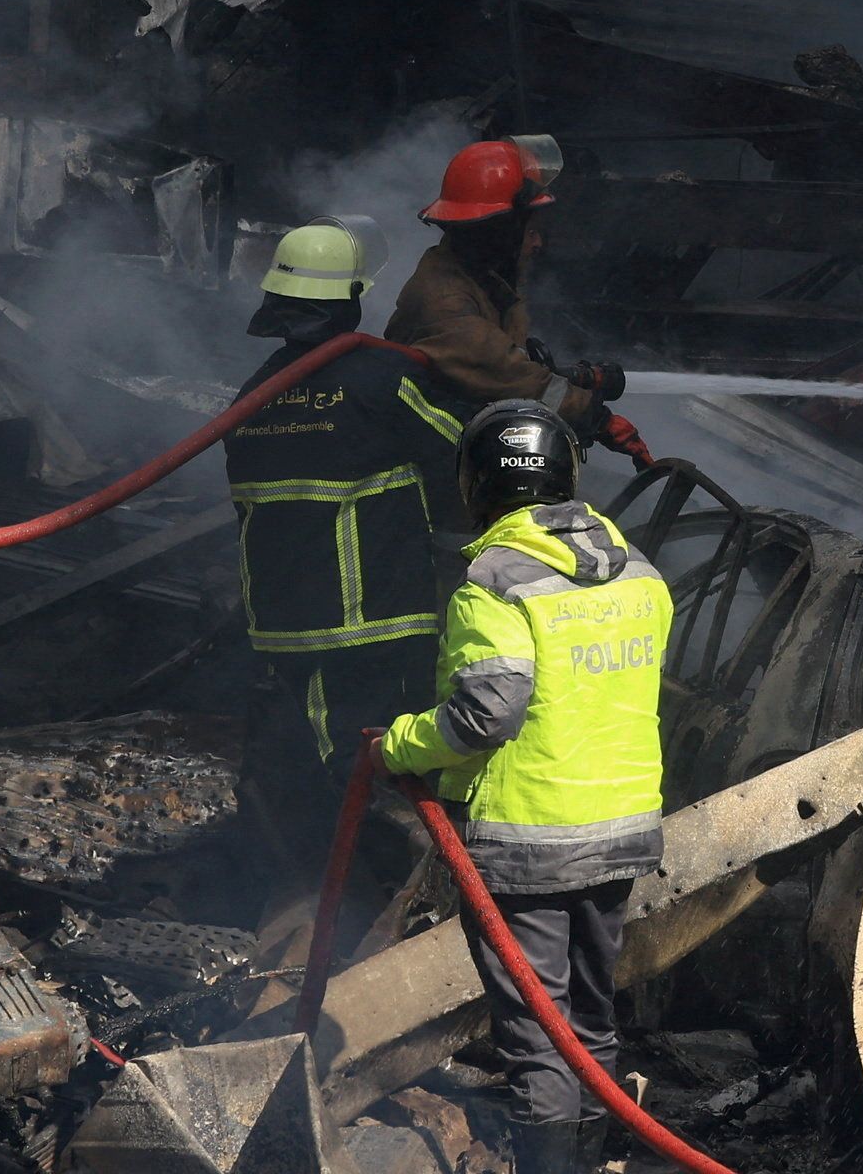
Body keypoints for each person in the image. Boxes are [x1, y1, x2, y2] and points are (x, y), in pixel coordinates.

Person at [380, 402, 673, 1174]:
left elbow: (487, 713)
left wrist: (399, 744)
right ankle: (590, 1159)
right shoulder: (639, 572)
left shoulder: (495, 582)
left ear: (475, 484)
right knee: (591, 1020)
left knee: (538, 1036)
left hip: (528, 843)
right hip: (621, 831)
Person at [222, 224, 465, 881]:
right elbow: (465, 453)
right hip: (373, 619)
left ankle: (318, 887)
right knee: (393, 766)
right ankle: (386, 891)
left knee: (323, 766)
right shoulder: (384, 378)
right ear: (352, 297)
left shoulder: (253, 395)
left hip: (285, 627)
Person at [382, 140, 629, 441]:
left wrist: (578, 377)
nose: (538, 243)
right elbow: (508, 375)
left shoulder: (482, 280)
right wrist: (598, 419)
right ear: (499, 234)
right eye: (531, 232)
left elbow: (511, 361)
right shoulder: (446, 302)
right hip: (434, 452)